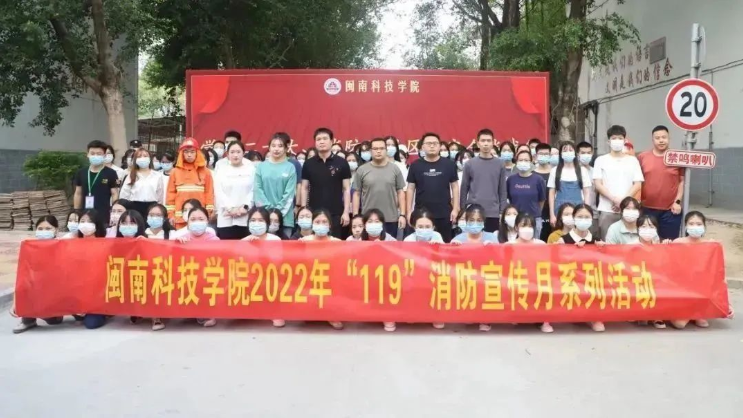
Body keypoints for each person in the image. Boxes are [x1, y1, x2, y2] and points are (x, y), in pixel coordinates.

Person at [671, 211, 734, 329]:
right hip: (682, 289)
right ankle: (693, 313)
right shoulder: (677, 243)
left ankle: (697, 312)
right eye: (691, 224)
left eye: (699, 224)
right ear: (686, 226)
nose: (695, 227)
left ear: (704, 226)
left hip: (701, 290)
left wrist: (727, 304)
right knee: (679, 324)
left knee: (701, 322)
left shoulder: (711, 246)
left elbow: (719, 275)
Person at [13, 216, 69, 334]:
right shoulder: (30, 248)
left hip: (57, 292)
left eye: (48, 229)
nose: (44, 232)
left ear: (56, 230)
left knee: (54, 321)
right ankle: (28, 320)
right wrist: (15, 303)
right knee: (28, 286)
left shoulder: (63, 246)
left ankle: (51, 313)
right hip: (38, 288)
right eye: (40, 229)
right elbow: (22, 276)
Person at [406, 133, 460, 243]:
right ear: (422, 147)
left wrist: (455, 208)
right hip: (421, 213)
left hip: (444, 213)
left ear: (440, 146)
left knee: (444, 245)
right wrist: (409, 211)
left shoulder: (449, 164)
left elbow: (454, 186)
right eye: (429, 143)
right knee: (420, 246)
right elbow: (410, 188)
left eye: (435, 143)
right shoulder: (415, 165)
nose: (432, 146)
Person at [593, 125, 644, 240]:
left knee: (629, 242)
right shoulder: (600, 160)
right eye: (614, 138)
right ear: (608, 141)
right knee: (606, 242)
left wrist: (622, 202)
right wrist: (614, 199)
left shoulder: (633, 160)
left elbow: (638, 184)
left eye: (620, 138)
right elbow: (598, 184)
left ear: (625, 141)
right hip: (607, 209)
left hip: (629, 210)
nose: (617, 141)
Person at [301, 128, 351, 238]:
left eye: (325, 139)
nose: (321, 142)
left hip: (336, 213)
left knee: (335, 244)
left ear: (331, 141)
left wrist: (346, 212)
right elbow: (304, 188)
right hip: (314, 213)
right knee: (314, 244)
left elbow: (346, 189)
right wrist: (304, 210)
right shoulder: (308, 164)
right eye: (318, 139)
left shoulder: (342, 162)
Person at [637, 125, 684, 240]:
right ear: (652, 140)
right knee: (647, 241)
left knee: (669, 243)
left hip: (670, 210)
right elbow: (637, 182)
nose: (661, 140)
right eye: (657, 138)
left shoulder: (677, 157)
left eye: (664, 137)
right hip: (647, 209)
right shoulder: (642, 157)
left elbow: (682, 182)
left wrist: (677, 202)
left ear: (669, 138)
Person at [174, 206, 218, 328]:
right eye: (193, 219)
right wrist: (177, 245)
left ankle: (210, 314)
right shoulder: (182, 238)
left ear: (207, 221)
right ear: (187, 222)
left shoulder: (214, 239)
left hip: (206, 275)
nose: (197, 222)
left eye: (201, 219)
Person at [353, 138, 406, 238]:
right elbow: (357, 193)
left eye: (381, 148)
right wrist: (356, 216)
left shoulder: (395, 169)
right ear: (370, 151)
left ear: (386, 150)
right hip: (368, 219)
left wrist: (402, 215)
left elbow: (400, 192)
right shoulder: (362, 169)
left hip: (390, 218)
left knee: (389, 246)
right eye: (375, 149)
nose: (378, 151)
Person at [508, 213, 551, 333]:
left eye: (530, 226)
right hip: (517, 282)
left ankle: (543, 320)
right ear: (516, 227)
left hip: (536, 282)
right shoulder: (509, 245)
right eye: (523, 225)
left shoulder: (541, 244)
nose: (527, 229)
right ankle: (517, 314)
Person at [460, 129, 508, 233]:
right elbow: (464, 189)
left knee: (492, 241)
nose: (486, 144)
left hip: (493, 213)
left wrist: (502, 212)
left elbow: (502, 190)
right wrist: (463, 210)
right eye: (483, 140)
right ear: (478, 143)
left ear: (493, 142)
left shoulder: (500, 164)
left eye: (488, 140)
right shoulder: (469, 164)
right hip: (474, 212)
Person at [254, 133, 297, 238]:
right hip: (264, 217)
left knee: (284, 247)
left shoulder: (290, 167)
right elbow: (258, 190)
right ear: (269, 148)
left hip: (284, 217)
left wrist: (277, 212)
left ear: (286, 148)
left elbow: (289, 194)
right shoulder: (261, 166)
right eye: (273, 145)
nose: (276, 149)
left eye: (280, 146)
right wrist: (267, 211)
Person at [166, 138, 215, 230]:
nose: (189, 155)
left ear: (197, 153)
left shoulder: (206, 172)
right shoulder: (174, 172)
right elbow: (170, 195)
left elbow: (209, 193)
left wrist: (208, 211)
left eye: (192, 152)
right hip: (180, 218)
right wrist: (171, 215)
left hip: (199, 217)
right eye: (186, 152)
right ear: (182, 154)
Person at [632, 214, 668, 329]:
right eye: (644, 226)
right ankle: (642, 314)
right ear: (638, 228)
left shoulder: (660, 245)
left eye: (651, 227)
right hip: (636, 279)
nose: (647, 230)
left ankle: (656, 316)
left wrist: (667, 247)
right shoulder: (631, 245)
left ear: (656, 229)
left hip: (655, 279)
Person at [74, 140, 120, 226]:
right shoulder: (81, 172)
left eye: (99, 154)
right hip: (84, 214)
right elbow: (78, 193)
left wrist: (114, 212)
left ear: (104, 155)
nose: (95, 156)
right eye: (92, 153)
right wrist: (76, 211)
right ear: (87, 154)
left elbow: (115, 194)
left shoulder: (111, 173)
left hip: (103, 214)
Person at [214, 141, 254, 240]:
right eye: (232, 152)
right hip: (226, 217)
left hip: (245, 217)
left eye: (238, 152)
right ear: (227, 154)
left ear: (243, 153)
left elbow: (253, 191)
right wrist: (230, 209)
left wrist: (245, 208)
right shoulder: (221, 171)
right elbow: (219, 192)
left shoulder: (251, 170)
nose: (235, 155)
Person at [548, 141, 592, 227]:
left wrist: (586, 211)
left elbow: (587, 193)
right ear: (560, 154)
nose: (568, 152)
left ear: (575, 153)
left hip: (578, 207)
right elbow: (551, 194)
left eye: (570, 150)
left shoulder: (582, 171)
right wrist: (552, 215)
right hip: (559, 208)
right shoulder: (554, 171)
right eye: (565, 150)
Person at [507, 150, 546, 238]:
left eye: (526, 160)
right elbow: (509, 199)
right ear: (516, 162)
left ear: (531, 162)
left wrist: (535, 212)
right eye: (520, 160)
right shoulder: (511, 179)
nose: (523, 162)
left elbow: (542, 200)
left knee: (534, 245)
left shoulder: (538, 179)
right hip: (515, 219)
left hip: (534, 219)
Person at [119, 148, 164, 218]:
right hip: (134, 207)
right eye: (139, 156)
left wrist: (159, 209)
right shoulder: (131, 175)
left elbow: (160, 196)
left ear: (150, 158)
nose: (142, 158)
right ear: (135, 160)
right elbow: (124, 195)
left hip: (152, 207)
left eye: (145, 156)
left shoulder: (157, 175)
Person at [576, 141, 598, 235]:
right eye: (583, 153)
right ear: (577, 154)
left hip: (592, 213)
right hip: (575, 212)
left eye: (588, 153)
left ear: (592, 154)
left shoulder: (595, 172)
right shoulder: (573, 171)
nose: (586, 155)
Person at [533, 143, 553, 240]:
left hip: (552, 212)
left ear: (550, 156)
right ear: (536, 156)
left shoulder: (555, 173)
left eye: (546, 154)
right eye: (541, 154)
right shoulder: (532, 174)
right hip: (538, 212)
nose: (543, 156)